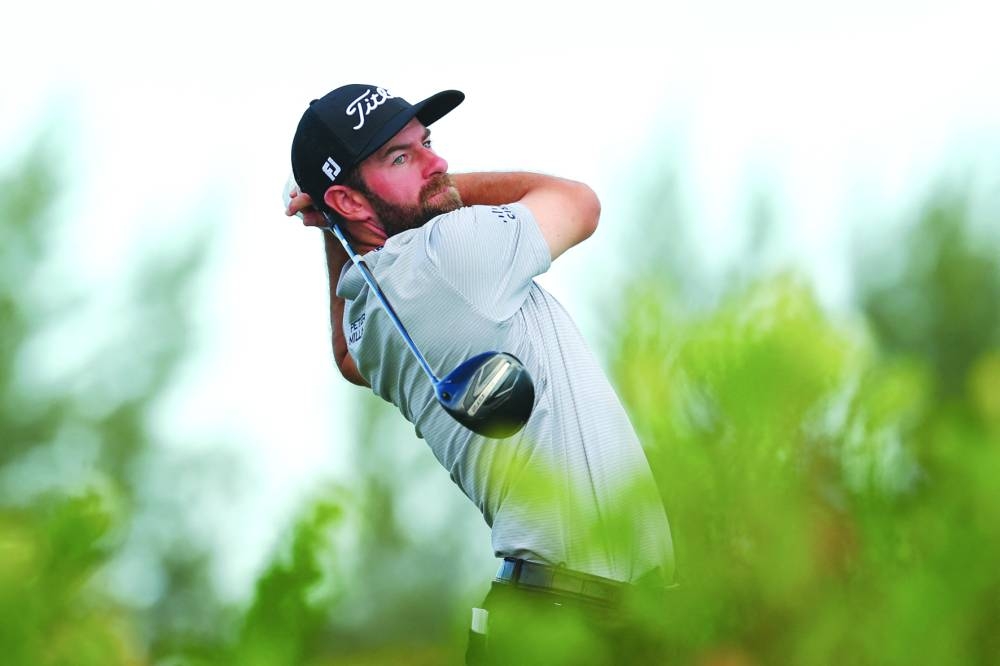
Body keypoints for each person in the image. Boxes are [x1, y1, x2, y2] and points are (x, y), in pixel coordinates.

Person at [285, 83, 675, 664]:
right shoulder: (447, 253)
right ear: (348, 198)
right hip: (571, 624)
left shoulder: (373, 308)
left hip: (555, 616)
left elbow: (348, 356)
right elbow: (580, 202)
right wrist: (437, 195)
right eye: (401, 158)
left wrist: (335, 231)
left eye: (427, 143)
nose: (438, 164)